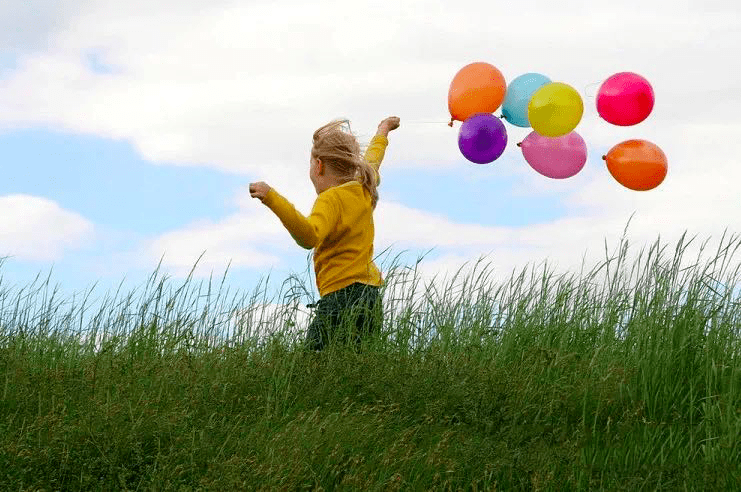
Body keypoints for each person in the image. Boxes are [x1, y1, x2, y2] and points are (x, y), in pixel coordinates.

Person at [249, 116, 400, 351]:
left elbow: (309, 237)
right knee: (357, 367)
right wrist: (383, 131)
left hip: (341, 297)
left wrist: (272, 198)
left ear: (319, 166)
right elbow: (373, 159)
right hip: (371, 296)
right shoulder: (363, 186)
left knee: (313, 368)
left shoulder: (330, 199)